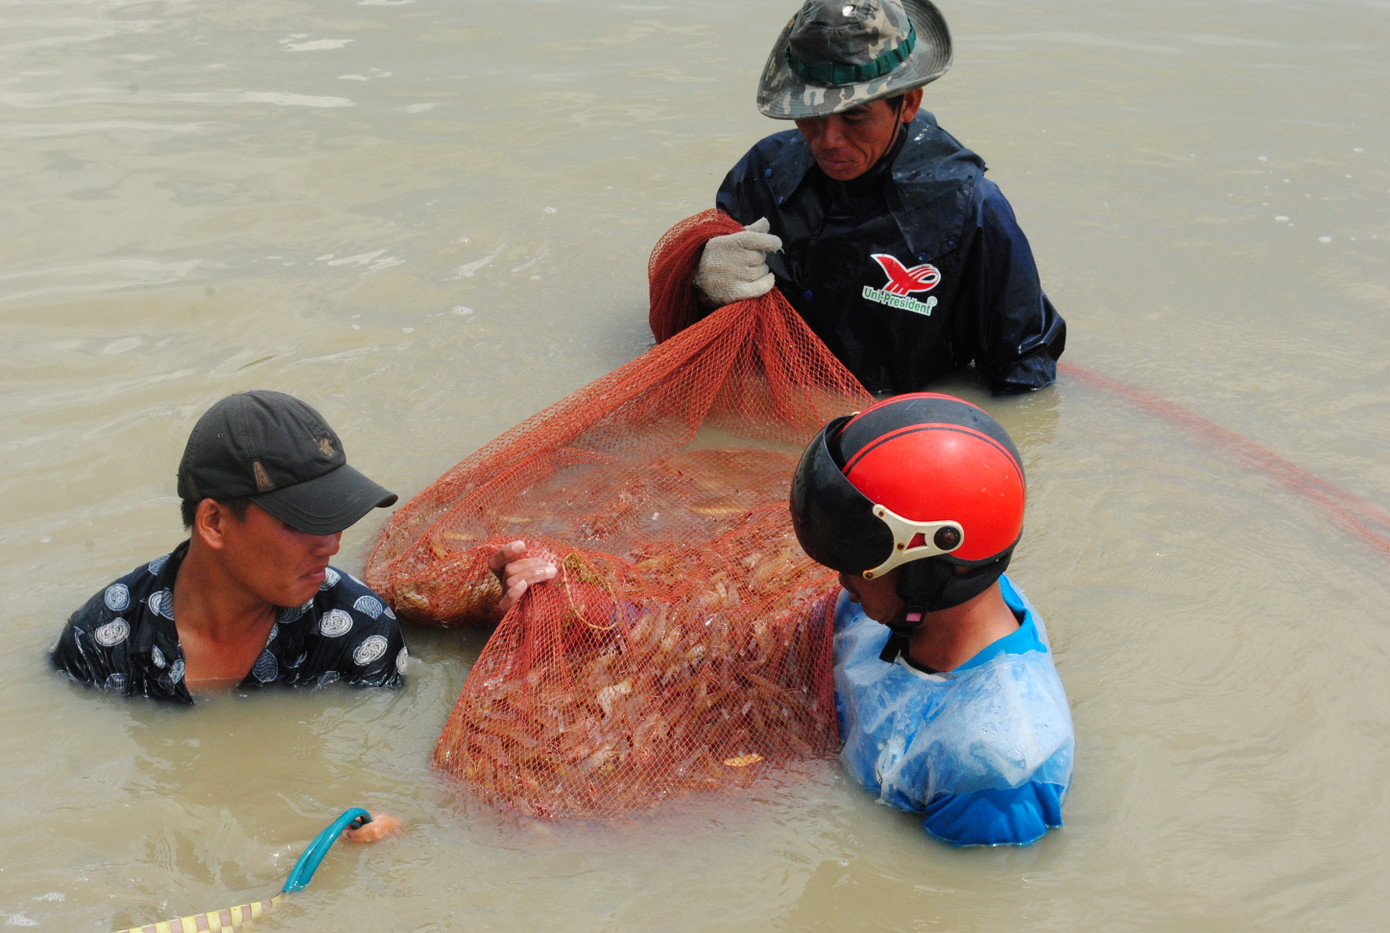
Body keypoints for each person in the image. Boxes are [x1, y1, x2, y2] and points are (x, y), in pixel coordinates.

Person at [689, 0, 1066, 395]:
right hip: (772, 402)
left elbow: (1024, 373)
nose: (828, 140)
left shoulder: (971, 209)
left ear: (909, 103)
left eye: (855, 116)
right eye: (812, 114)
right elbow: (700, 329)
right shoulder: (762, 173)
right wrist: (701, 282)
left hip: (895, 426)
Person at [789, 391, 1073, 845]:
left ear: (931, 566)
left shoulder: (996, 770)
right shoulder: (900, 600)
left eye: (860, 556)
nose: (842, 579)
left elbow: (956, 899)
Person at [50, 390, 409, 704]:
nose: (330, 545)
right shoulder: (101, 643)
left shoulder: (360, 630)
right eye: (302, 521)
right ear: (214, 523)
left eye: (333, 519)